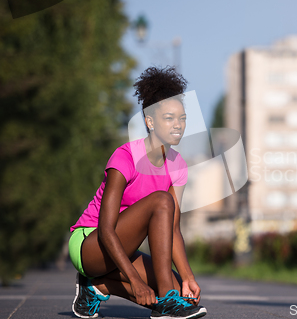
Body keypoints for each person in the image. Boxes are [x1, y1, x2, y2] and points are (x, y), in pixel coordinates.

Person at [68, 66, 206, 319]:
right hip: (91, 242)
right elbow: (107, 229)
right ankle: (165, 302)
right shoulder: (125, 157)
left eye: (183, 118)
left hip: (124, 247)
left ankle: (96, 286)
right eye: (169, 118)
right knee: (162, 201)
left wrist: (188, 278)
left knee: (180, 290)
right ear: (149, 121)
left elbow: (173, 230)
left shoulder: (178, 166)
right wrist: (135, 279)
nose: (178, 125)